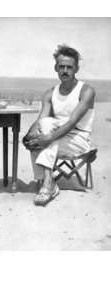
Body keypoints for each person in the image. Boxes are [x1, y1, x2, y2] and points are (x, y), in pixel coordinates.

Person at [23, 45, 95, 206]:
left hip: (79, 139)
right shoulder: (50, 93)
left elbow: (71, 123)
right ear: (55, 67)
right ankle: (48, 181)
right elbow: (41, 119)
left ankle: (46, 184)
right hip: (57, 136)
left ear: (76, 68)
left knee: (45, 139)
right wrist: (28, 136)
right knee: (42, 128)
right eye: (61, 66)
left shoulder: (86, 91)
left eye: (69, 67)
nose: (65, 70)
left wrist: (48, 139)